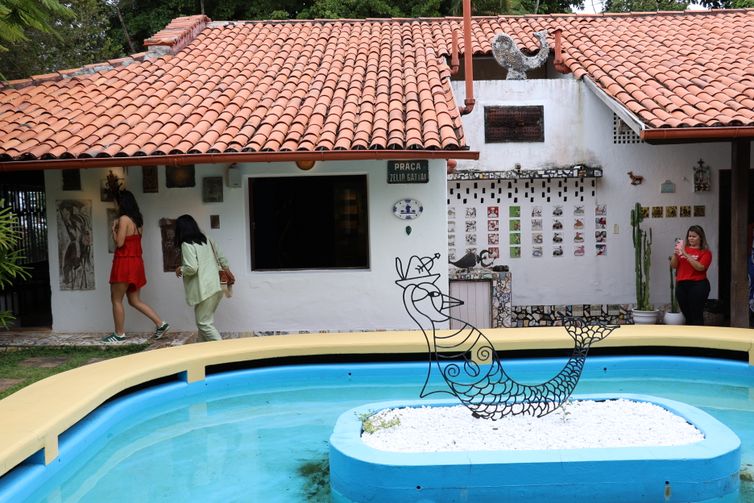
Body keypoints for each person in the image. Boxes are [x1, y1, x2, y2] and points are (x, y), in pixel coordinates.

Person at [104, 190, 169, 342]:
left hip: (124, 262)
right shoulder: (138, 221)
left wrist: (113, 229)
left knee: (116, 299)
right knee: (134, 300)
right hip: (136, 263)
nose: (114, 204)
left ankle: (119, 334)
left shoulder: (123, 219)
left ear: (121, 203)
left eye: (115, 201)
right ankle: (161, 323)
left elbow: (119, 243)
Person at [173, 214, 234, 342]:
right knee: (205, 320)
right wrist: (228, 272)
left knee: (204, 323)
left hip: (204, 289)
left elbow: (192, 268)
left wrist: (181, 269)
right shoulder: (208, 239)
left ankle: (223, 351)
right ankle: (200, 348)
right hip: (217, 286)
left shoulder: (186, 244)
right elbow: (222, 258)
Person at [670, 225, 712, 326]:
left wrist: (685, 254)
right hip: (682, 285)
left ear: (700, 238)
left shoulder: (705, 252)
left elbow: (700, 267)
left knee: (696, 314)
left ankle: (699, 337)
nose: (691, 238)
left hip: (698, 285)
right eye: (689, 236)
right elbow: (673, 265)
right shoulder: (683, 250)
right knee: (687, 315)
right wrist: (676, 254)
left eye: (694, 236)